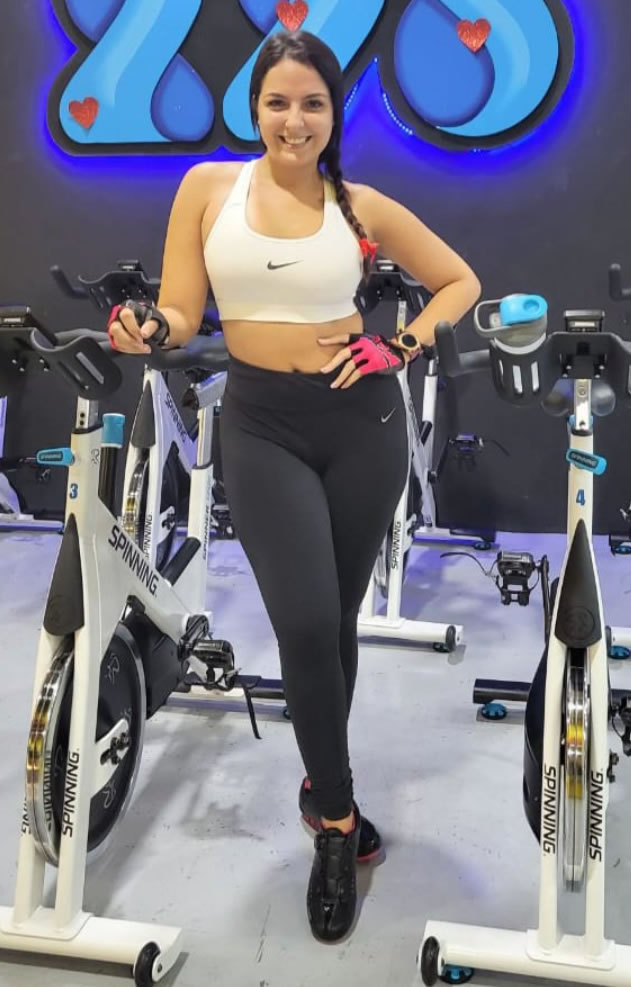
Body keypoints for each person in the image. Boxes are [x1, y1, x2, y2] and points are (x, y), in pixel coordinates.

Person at [107, 30, 480, 942]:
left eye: (312, 103)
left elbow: (459, 282)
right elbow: (183, 311)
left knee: (336, 621)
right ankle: (338, 823)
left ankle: (323, 779)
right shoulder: (207, 189)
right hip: (262, 424)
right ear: (255, 108)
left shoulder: (360, 206)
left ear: (332, 115)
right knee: (306, 623)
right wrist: (149, 326)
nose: (294, 120)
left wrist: (399, 345)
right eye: (278, 101)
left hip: (362, 428)